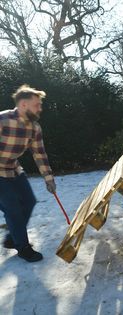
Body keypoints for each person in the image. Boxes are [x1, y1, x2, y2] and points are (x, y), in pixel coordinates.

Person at [0, 84, 56, 262]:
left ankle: (12, 237)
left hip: (13, 168)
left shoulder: (35, 128)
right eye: (36, 105)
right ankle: (22, 247)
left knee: (29, 201)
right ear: (23, 105)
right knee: (13, 208)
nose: (40, 108)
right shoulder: (3, 120)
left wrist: (49, 179)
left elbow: (39, 154)